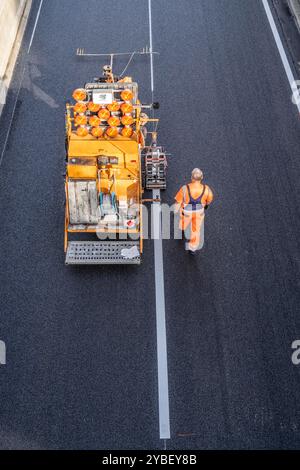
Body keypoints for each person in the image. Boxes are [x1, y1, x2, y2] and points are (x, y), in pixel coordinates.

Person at [175, 168, 213, 255]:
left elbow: (178, 201)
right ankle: (192, 248)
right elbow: (210, 199)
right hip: (199, 212)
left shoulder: (185, 188)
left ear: (191, 178)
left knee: (183, 221)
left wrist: (176, 210)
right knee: (196, 230)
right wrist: (206, 204)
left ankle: (181, 230)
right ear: (202, 177)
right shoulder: (206, 189)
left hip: (186, 212)